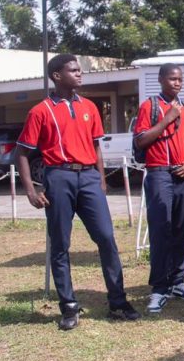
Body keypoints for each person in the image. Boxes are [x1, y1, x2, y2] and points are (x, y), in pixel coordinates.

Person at [16, 54, 140, 330]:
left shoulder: (90, 107)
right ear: (57, 76)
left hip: (88, 178)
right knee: (60, 244)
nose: (79, 74)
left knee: (107, 238)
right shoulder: (40, 111)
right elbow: (22, 153)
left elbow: (96, 145)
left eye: (79, 70)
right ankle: (69, 307)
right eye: (73, 70)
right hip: (58, 176)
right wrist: (30, 190)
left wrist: (101, 178)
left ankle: (118, 302)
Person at [133, 63, 184, 314]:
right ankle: (159, 288)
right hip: (159, 172)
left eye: (180, 79)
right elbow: (141, 139)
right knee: (161, 229)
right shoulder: (149, 107)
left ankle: (179, 281)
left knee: (182, 228)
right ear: (161, 80)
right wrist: (166, 120)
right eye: (172, 78)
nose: (177, 83)